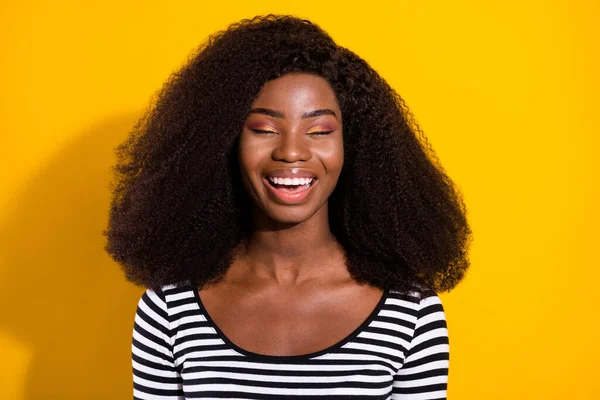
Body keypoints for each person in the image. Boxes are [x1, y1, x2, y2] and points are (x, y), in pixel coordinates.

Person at [103, 14, 472, 399]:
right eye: (264, 129)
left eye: (319, 131)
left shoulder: (410, 313)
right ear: (223, 141)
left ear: (353, 146)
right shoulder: (169, 308)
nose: (291, 151)